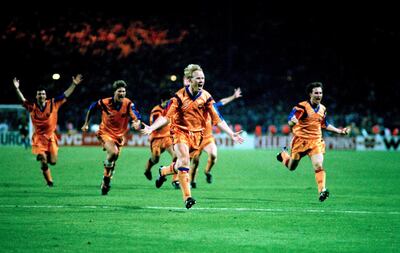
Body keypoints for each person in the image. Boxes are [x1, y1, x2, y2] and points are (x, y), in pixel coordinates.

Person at [141, 64, 244, 209]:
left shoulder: (206, 97)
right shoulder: (178, 97)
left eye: (203, 78)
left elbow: (217, 118)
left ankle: (164, 171)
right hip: (180, 133)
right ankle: (187, 197)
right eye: (198, 78)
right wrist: (151, 127)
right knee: (184, 162)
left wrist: (231, 133)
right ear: (190, 80)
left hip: (198, 136)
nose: (201, 80)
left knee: (180, 165)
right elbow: (165, 116)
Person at [276, 82, 350, 202]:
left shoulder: (323, 109)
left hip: (316, 141)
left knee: (318, 165)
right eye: (316, 93)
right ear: (310, 94)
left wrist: (340, 131)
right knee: (291, 167)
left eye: (320, 93)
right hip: (300, 141)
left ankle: (322, 190)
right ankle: (283, 155)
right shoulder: (302, 107)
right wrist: (292, 121)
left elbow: (324, 124)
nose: (319, 95)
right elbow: (290, 119)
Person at [12, 75, 83, 186]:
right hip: (38, 138)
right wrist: (17, 88)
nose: (41, 95)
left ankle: (43, 158)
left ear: (46, 96)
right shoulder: (32, 107)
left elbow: (65, 94)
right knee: (43, 160)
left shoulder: (53, 104)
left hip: (51, 137)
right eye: (39, 94)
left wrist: (74, 84)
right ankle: (49, 181)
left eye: (43, 94)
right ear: (36, 96)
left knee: (53, 162)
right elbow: (22, 99)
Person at [81, 80, 141, 195]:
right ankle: (106, 179)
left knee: (114, 158)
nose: (122, 93)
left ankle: (106, 179)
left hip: (119, 136)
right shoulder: (105, 102)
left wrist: (136, 121)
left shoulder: (128, 103)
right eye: (120, 91)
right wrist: (86, 123)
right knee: (113, 152)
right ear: (114, 92)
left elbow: (135, 114)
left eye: (124, 91)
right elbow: (92, 107)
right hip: (105, 133)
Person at [190, 87, 242, 188]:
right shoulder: (193, 108)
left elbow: (222, 102)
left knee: (213, 155)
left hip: (207, 138)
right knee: (195, 162)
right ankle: (192, 181)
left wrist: (233, 97)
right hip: (195, 139)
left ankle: (207, 171)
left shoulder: (212, 106)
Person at [144, 91, 179, 189]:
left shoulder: (172, 109)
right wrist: (168, 119)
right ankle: (147, 169)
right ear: (162, 101)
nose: (170, 103)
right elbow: (156, 125)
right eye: (168, 101)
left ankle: (175, 180)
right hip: (156, 139)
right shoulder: (156, 110)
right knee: (156, 158)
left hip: (168, 138)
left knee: (176, 156)